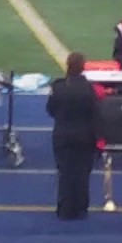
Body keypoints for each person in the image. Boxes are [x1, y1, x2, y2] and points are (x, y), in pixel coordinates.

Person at [46, 52, 100, 220]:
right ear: (83, 67)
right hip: (85, 135)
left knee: (65, 172)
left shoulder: (59, 87)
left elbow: (50, 110)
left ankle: (65, 208)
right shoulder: (89, 89)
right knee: (82, 173)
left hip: (63, 135)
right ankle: (81, 207)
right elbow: (95, 114)